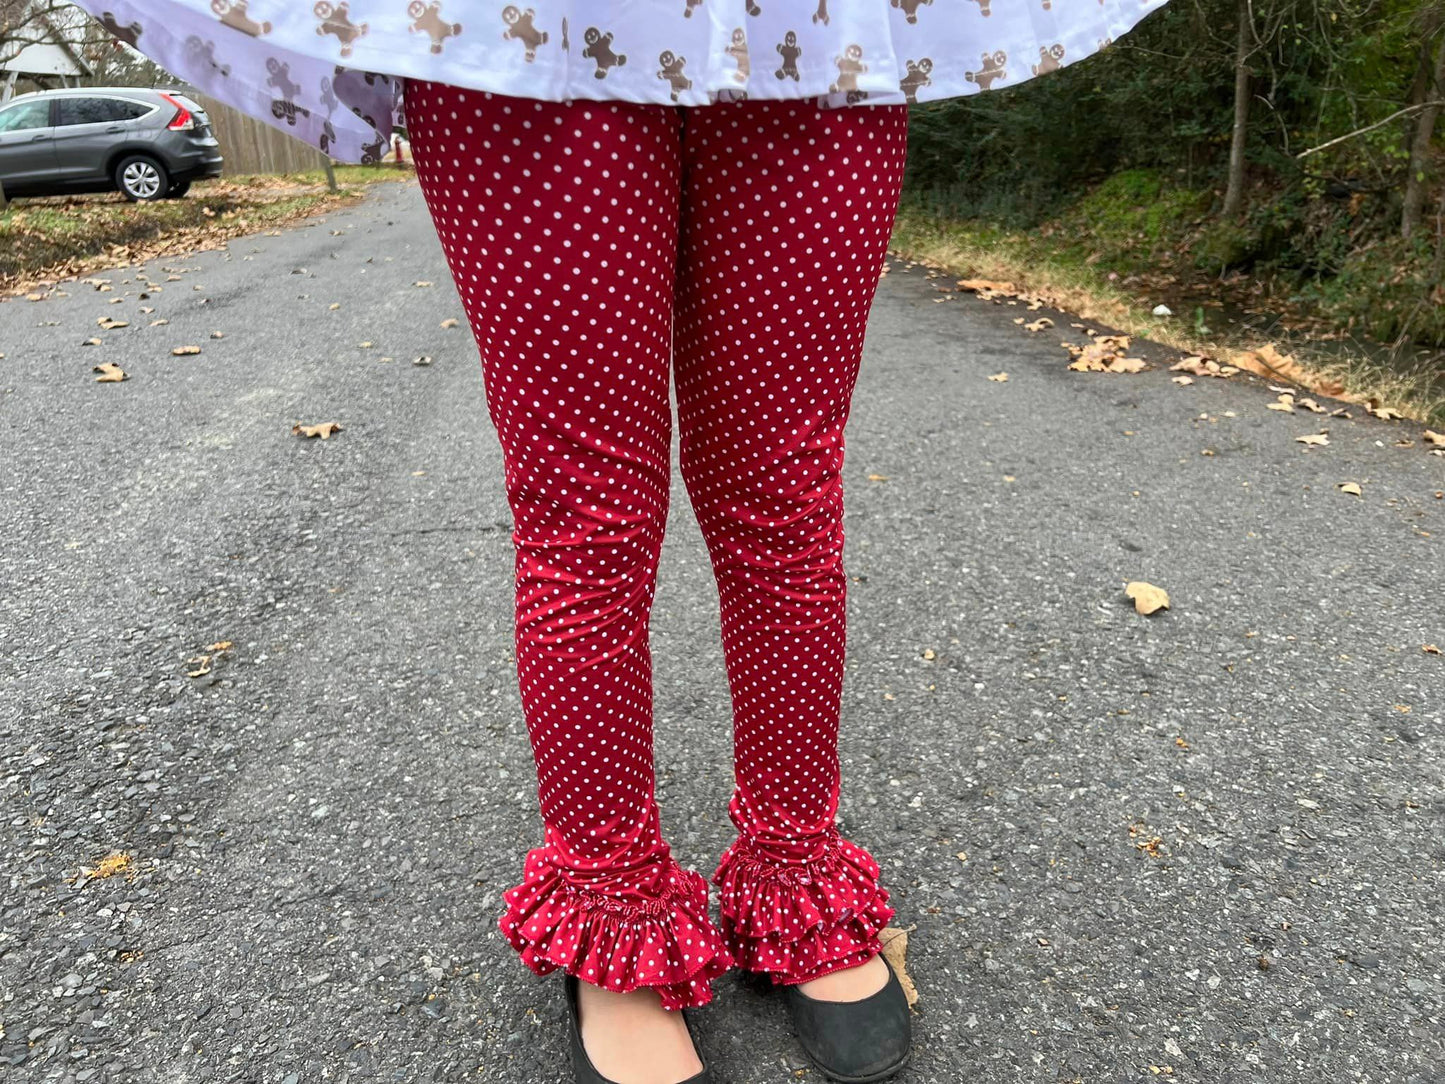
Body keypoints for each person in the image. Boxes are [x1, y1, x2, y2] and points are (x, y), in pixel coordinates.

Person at [67, 2, 1170, 1081]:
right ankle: (608, 896)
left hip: (814, 27)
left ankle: (792, 861)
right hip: (525, 34)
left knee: (785, 497)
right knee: (582, 517)